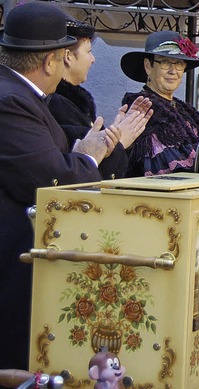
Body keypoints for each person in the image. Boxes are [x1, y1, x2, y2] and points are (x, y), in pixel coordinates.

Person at [0, 2, 118, 371]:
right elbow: (51, 177)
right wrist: (89, 155)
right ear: (50, 62)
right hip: (12, 260)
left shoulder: (20, 95)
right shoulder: (11, 100)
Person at [120, 30, 199, 177]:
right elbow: (169, 168)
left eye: (179, 64)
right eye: (165, 62)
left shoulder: (182, 109)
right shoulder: (142, 108)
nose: (173, 71)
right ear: (148, 66)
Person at [48, 17, 153, 179]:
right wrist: (116, 141)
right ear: (68, 56)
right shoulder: (55, 104)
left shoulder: (72, 102)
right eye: (88, 51)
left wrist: (115, 134)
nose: (93, 59)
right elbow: (77, 169)